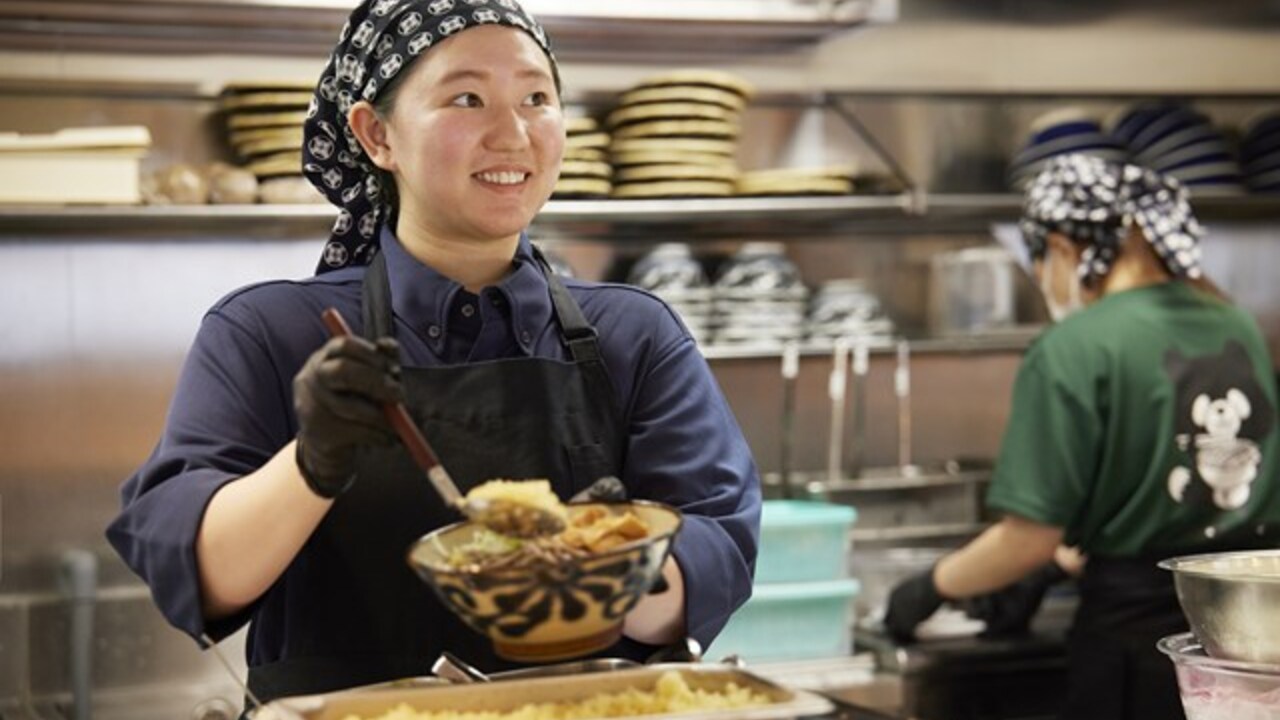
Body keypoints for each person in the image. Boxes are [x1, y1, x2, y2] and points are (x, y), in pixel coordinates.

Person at [106, 0, 760, 705]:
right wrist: (310, 464)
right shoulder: (269, 331)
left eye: (537, 97)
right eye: (467, 98)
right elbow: (197, 577)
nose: (513, 134)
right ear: (376, 134)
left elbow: (718, 547)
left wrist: (594, 561)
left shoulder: (636, 335)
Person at [884, 153, 1280, 720]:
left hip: (1134, 649)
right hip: (1248, 642)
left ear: (1064, 247)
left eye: (1039, 258)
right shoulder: (1235, 322)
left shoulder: (1075, 347)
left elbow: (1028, 539)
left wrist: (928, 588)